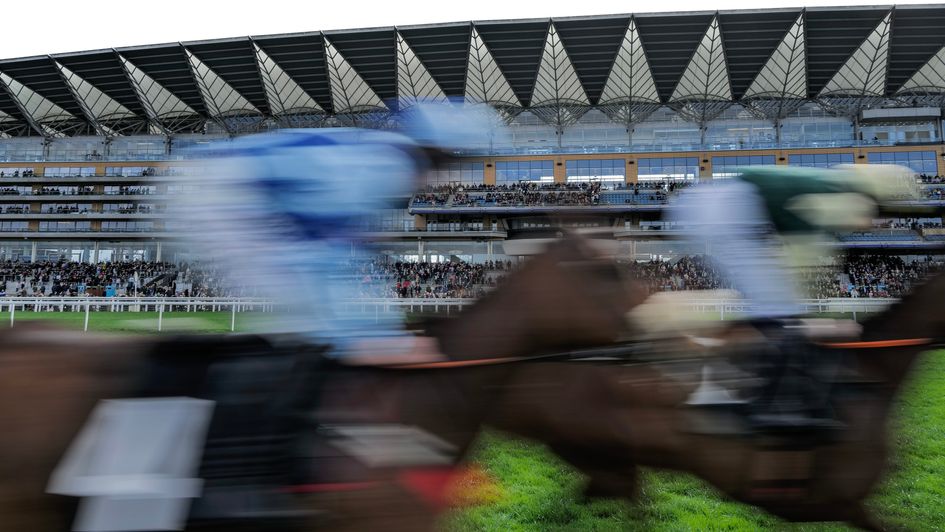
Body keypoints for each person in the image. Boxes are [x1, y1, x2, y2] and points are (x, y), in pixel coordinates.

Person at [180, 102, 495, 364]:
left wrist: (385, 336)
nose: (440, 176)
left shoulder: (382, 155)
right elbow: (324, 260)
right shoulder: (387, 167)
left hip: (236, 187)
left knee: (315, 316)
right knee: (303, 315)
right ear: (429, 152)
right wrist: (383, 343)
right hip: (222, 192)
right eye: (444, 163)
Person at [669, 164, 921, 430]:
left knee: (779, 308)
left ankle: (759, 384)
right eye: (882, 213)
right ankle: (771, 404)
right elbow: (803, 259)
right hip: (724, 212)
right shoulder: (839, 196)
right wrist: (813, 318)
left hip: (725, 207)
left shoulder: (832, 187)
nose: (879, 222)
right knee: (776, 306)